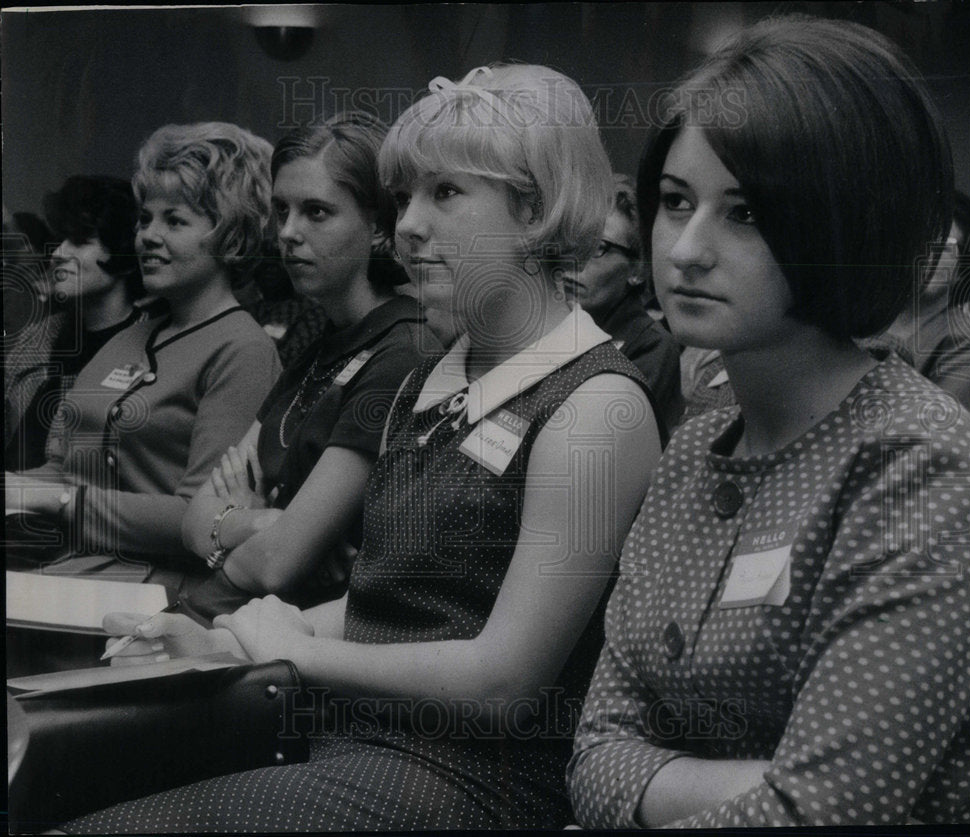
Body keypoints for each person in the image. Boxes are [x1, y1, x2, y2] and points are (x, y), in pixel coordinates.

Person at [64, 63, 661, 833]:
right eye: (406, 194)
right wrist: (225, 642)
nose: (407, 225)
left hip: (477, 781)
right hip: (348, 732)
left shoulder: (597, 407)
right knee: (58, 772)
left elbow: (504, 680)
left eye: (444, 193)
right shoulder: (432, 376)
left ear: (536, 209)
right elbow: (388, 602)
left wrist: (298, 653)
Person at [567, 16, 970, 828]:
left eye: (748, 214)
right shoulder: (697, 444)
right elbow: (593, 752)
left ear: (846, 228)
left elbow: (824, 812)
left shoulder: (923, 462)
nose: (687, 248)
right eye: (674, 201)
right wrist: (776, 779)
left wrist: (687, 784)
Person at [179, 112, 441, 617]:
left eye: (316, 212)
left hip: (292, 646)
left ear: (379, 227)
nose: (289, 232)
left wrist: (243, 524)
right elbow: (194, 518)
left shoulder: (402, 350)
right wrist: (257, 522)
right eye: (282, 211)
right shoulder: (324, 344)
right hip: (230, 612)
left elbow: (279, 564)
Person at [5, 123, 281, 584]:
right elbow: (63, 468)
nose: (147, 236)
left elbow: (202, 520)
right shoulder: (132, 335)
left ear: (231, 238)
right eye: (145, 219)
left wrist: (60, 501)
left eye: (174, 221)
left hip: (150, 590)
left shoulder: (243, 350)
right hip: (67, 571)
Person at [5, 176, 148, 472]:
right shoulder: (39, 336)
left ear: (121, 252)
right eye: (61, 239)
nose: (58, 253)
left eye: (80, 241)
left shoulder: (149, 347)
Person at [861, 191, 970, 440]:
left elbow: (941, 437)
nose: (924, 255)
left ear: (963, 269)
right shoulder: (867, 318)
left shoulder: (969, 344)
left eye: (943, 248)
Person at [562, 173, 684, 441]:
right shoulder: (546, 321)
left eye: (598, 248)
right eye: (573, 242)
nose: (573, 262)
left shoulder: (652, 347)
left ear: (638, 270)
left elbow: (598, 442)